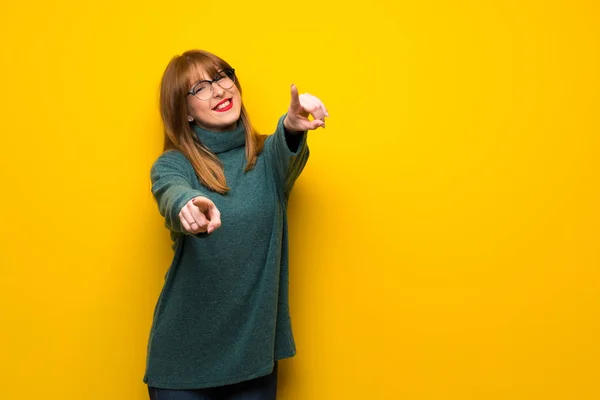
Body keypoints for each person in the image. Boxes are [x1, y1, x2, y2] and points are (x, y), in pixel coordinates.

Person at [143, 49, 328, 400]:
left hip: (252, 360)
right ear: (184, 111)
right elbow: (170, 190)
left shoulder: (266, 160)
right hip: (182, 364)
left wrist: (291, 124)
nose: (218, 90)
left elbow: (286, 145)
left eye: (221, 76)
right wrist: (188, 204)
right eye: (199, 87)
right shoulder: (175, 164)